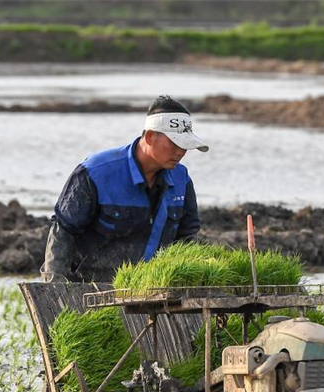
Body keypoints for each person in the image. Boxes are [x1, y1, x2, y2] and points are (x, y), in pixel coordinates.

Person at [40, 95, 208, 282]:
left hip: (148, 292)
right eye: (175, 143)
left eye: (185, 146)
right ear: (150, 137)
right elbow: (63, 231)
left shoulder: (181, 179)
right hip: (89, 290)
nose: (180, 152)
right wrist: (55, 287)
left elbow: (187, 239)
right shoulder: (96, 173)